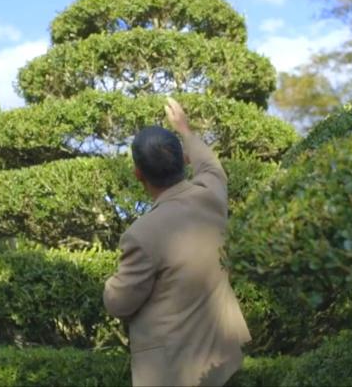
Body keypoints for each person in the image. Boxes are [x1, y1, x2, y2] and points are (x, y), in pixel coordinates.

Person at [103, 97, 251, 386]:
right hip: (221, 359)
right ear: (184, 160)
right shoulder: (212, 195)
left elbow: (119, 302)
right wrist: (184, 129)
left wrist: (109, 284)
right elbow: (210, 165)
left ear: (138, 174)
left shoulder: (141, 234)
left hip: (173, 372)